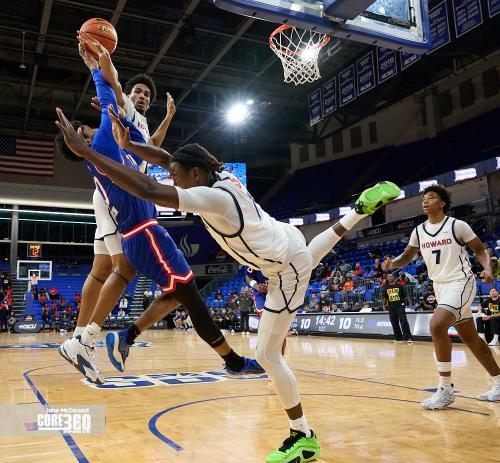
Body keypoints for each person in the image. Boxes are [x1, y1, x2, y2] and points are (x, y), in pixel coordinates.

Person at [55, 105, 401, 462]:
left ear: (195, 173)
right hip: (288, 242)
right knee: (307, 260)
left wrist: (88, 154)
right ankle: (359, 210)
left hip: (283, 270)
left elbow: (145, 188)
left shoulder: (214, 198)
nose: (171, 178)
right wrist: (135, 147)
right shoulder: (219, 177)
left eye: (176, 176)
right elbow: (166, 158)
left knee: (267, 355)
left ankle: (303, 436)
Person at [56, 41, 261, 384]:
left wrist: (98, 68)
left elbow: (142, 135)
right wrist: (95, 64)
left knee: (175, 292)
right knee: (187, 296)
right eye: (81, 131)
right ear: (82, 144)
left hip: (141, 231)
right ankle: (234, 362)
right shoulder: (104, 144)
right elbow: (109, 89)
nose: (88, 127)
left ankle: (105, 337)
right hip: (143, 231)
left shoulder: (112, 142)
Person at [67, 31, 175, 363]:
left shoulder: (140, 121)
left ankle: (77, 336)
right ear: (130, 93)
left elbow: (152, 146)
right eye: (138, 91)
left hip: (118, 193)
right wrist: (100, 60)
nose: (141, 96)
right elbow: (111, 84)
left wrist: (169, 116)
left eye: (146, 94)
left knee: (99, 272)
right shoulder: (124, 103)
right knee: (123, 268)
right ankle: (85, 340)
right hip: (118, 194)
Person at [382, 185, 500, 408]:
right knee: (471, 339)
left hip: (461, 282)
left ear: (443, 203)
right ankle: (499, 381)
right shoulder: (419, 230)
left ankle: (445, 389)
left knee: (436, 326)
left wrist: (487, 269)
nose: (425, 201)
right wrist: (392, 264)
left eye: (432, 197)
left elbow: (480, 249)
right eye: (424, 198)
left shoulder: (457, 225)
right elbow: (407, 257)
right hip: (440, 286)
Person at [382, 273, 413, 344]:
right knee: (394, 322)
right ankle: (398, 338)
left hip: (400, 305)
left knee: (403, 321)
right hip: (391, 307)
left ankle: (408, 337)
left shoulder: (399, 285)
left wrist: (410, 303)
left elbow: (406, 295)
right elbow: (385, 298)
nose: (390, 277)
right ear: (387, 279)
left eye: (391, 276)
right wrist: (384, 305)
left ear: (393, 277)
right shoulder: (386, 288)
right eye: (388, 277)